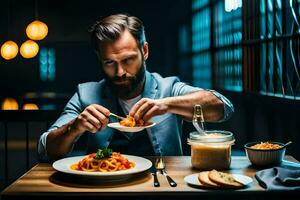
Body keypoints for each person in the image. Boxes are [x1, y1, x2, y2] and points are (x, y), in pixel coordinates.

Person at [38, 14, 234, 161]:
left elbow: (223, 108)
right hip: (102, 188)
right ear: (99, 59)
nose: (120, 71)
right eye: (109, 62)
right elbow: (45, 148)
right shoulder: (86, 94)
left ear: (145, 51)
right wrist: (75, 127)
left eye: (128, 60)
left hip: (163, 186)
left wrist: (167, 105)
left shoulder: (168, 87)